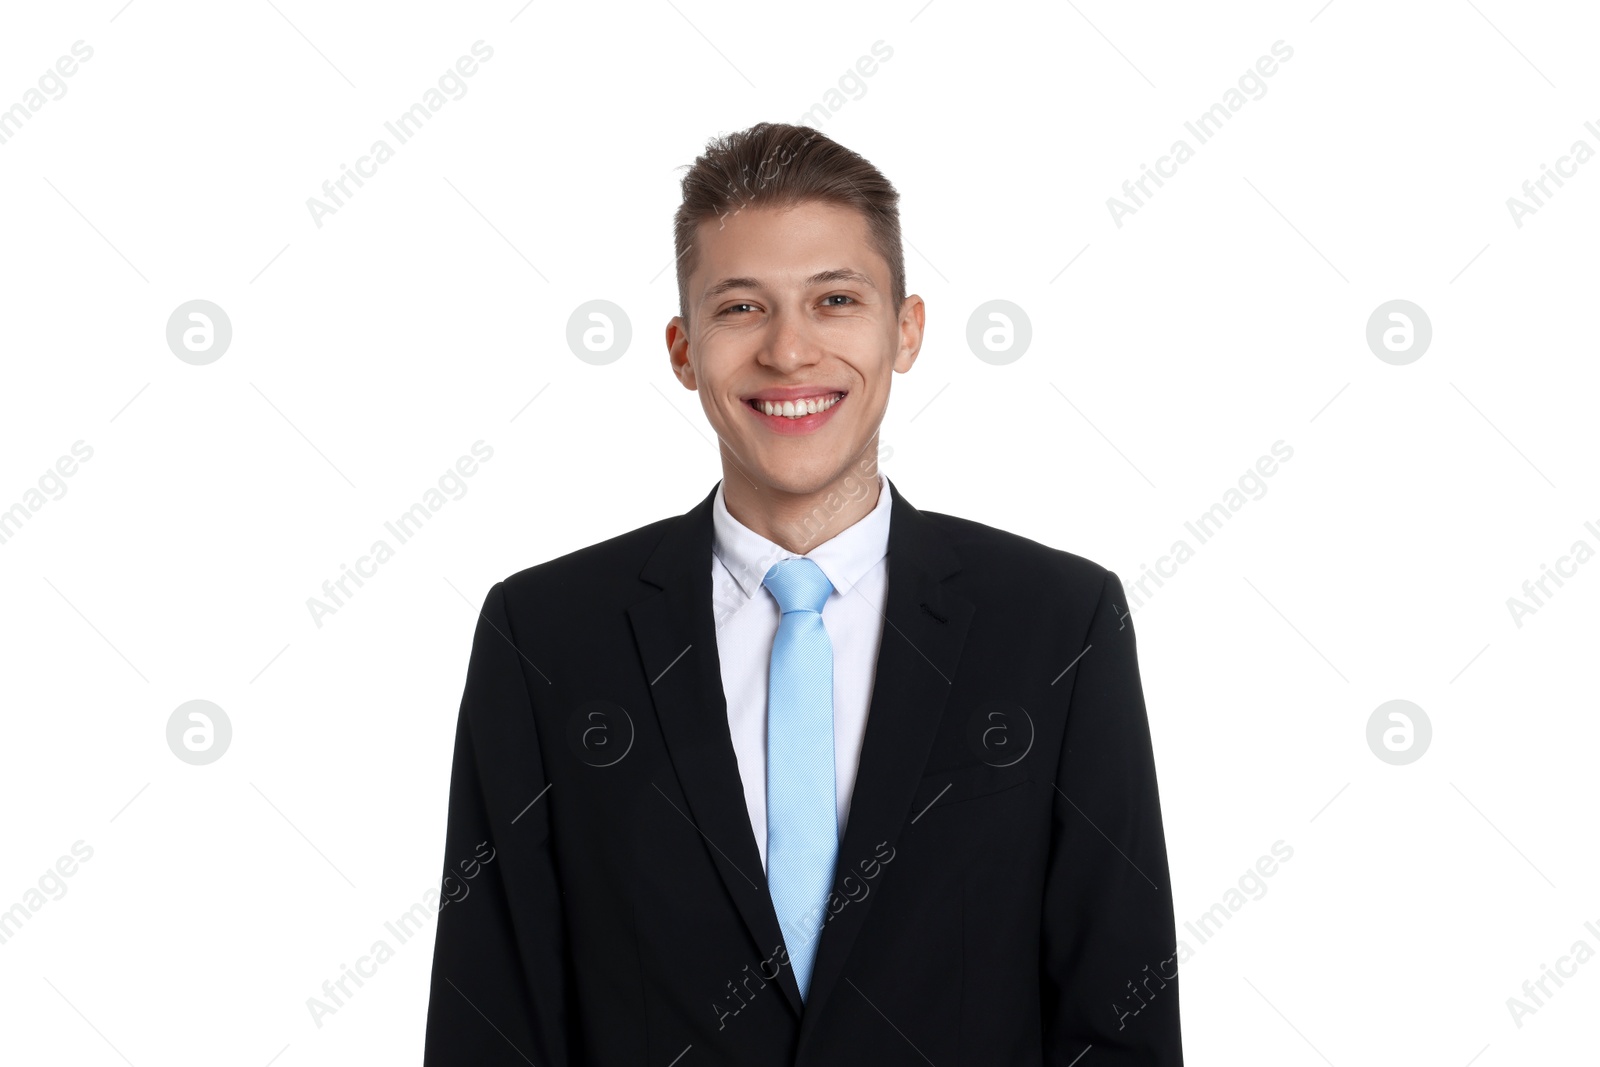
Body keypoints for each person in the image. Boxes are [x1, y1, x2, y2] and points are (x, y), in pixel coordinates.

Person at [422, 121, 1183, 1065]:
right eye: (741, 308)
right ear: (681, 348)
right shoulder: (545, 636)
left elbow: (1119, 1025)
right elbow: (490, 1019)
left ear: (905, 330)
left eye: (835, 299)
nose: (789, 352)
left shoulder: (1059, 624)